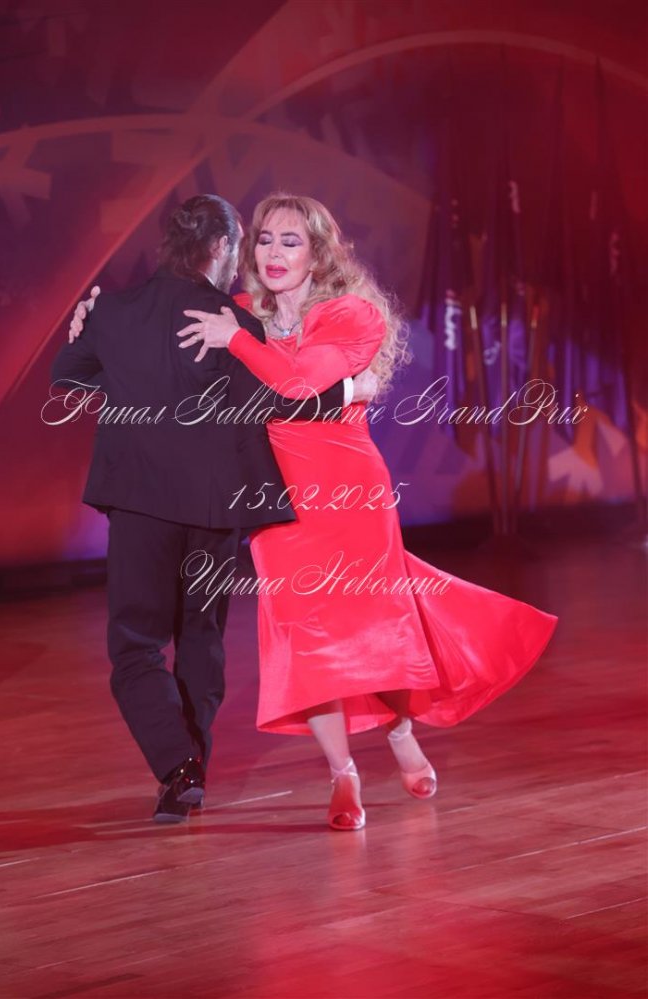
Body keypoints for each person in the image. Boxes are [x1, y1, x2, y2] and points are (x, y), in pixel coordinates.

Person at [174, 192, 558, 831]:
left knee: (369, 621)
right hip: (274, 493)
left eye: (291, 241)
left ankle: (400, 730)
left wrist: (238, 342)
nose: (273, 253)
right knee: (305, 633)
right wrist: (94, 322)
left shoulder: (350, 315)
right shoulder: (239, 311)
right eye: (264, 239)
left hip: (347, 490)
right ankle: (342, 773)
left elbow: (297, 381)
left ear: (319, 253)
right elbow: (168, 329)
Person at [52, 194, 375, 823]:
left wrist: (120, 366)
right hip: (213, 507)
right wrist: (347, 391)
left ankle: (180, 767)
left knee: (135, 647)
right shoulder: (236, 321)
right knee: (200, 639)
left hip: (139, 501)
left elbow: (69, 375)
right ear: (224, 247)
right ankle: (188, 768)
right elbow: (277, 401)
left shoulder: (113, 311)